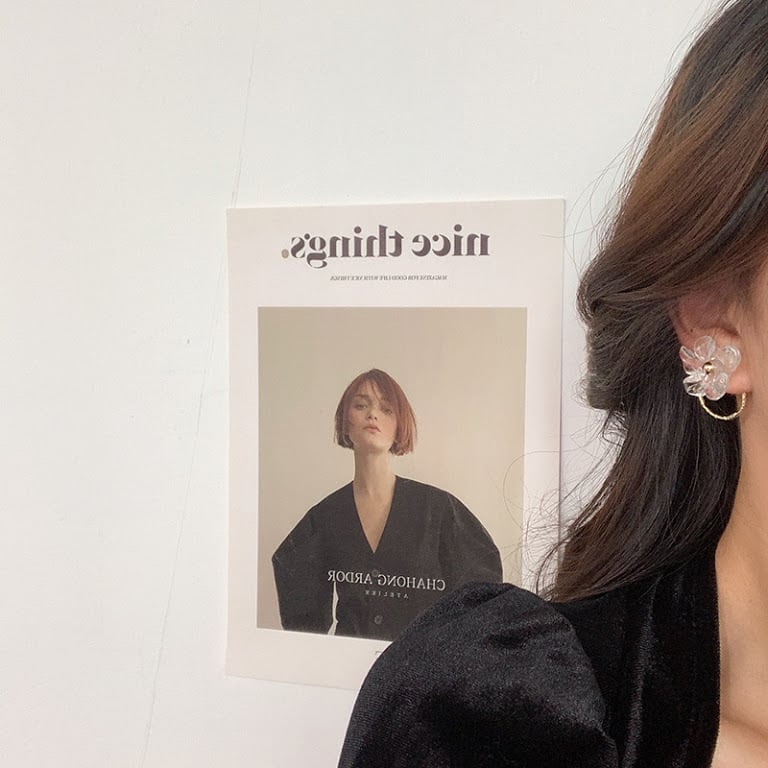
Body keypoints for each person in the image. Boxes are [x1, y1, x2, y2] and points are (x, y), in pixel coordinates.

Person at [338, 2, 768, 765]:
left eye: (382, 403)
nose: (371, 414)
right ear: (717, 326)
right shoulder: (502, 721)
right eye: (360, 404)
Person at [271, 368, 502, 642]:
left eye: (386, 409)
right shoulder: (325, 517)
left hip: (420, 662)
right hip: (348, 663)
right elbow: (298, 601)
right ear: (345, 422)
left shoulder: (437, 509)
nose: (373, 414)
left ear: (399, 425)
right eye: (361, 405)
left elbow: (482, 588)